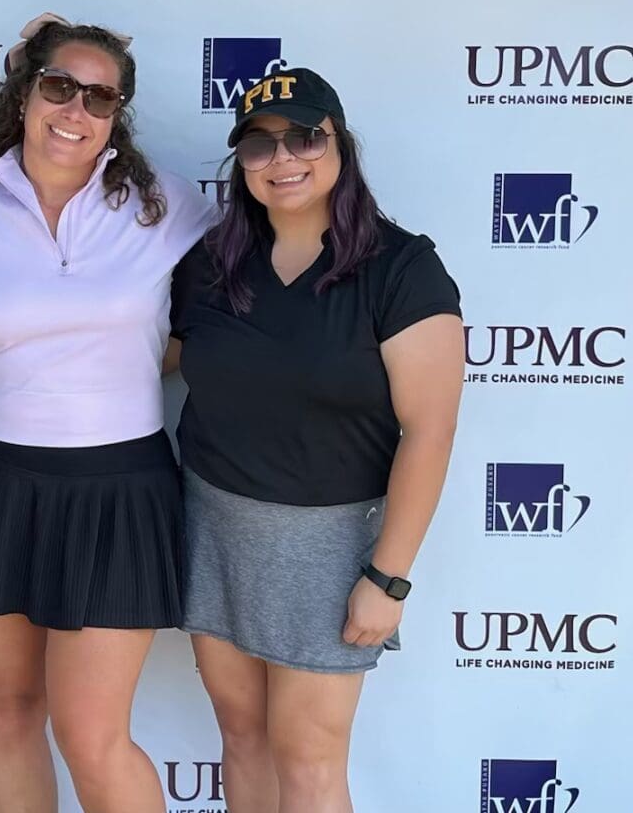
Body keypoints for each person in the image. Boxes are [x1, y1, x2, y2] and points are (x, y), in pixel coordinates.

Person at [0, 14, 217, 813]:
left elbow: (231, 322)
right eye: (59, 86)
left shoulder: (168, 208)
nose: (75, 110)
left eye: (99, 97)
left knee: (92, 735)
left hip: (121, 487)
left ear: (117, 115)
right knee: (12, 714)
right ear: (25, 91)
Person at [168, 67, 464, 813]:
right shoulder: (209, 264)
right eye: (259, 145)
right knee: (242, 738)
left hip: (329, 548)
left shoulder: (402, 268)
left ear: (341, 146)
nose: (284, 159)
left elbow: (429, 431)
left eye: (305, 137)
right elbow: (141, 354)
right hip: (212, 523)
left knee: (309, 761)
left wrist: (388, 577)